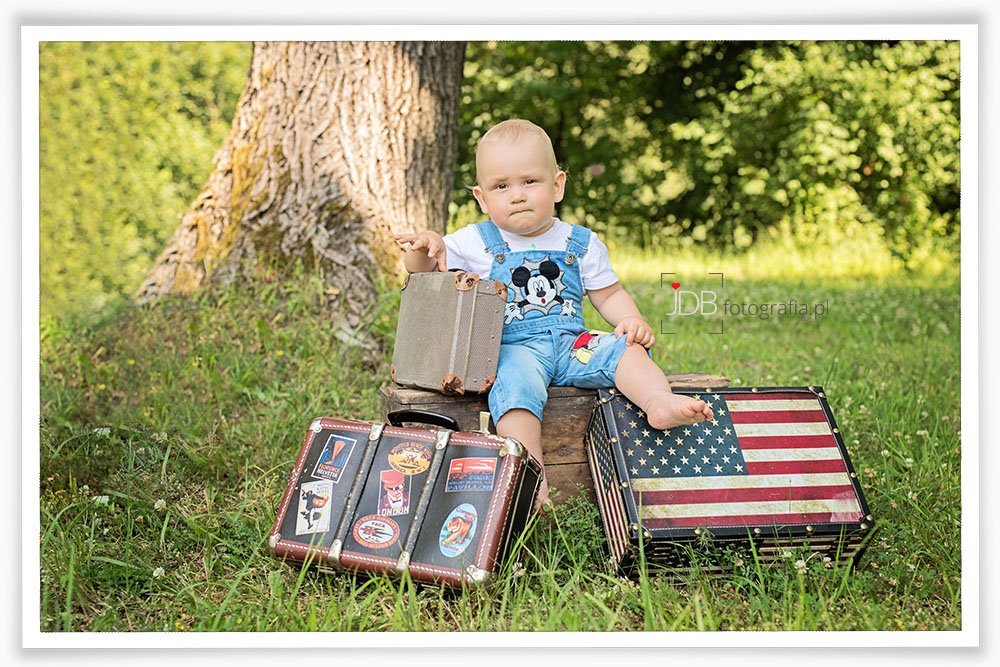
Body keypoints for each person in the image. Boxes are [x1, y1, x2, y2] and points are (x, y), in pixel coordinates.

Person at [395, 119, 713, 509]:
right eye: (501, 186)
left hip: (572, 344)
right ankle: (531, 479)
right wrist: (423, 246)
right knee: (515, 389)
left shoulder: (580, 242)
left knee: (625, 350)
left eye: (530, 181)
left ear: (557, 185)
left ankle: (658, 402)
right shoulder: (474, 241)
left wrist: (629, 320)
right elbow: (425, 268)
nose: (517, 196)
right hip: (513, 349)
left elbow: (608, 294)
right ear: (482, 198)